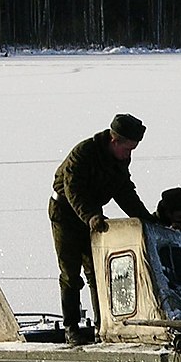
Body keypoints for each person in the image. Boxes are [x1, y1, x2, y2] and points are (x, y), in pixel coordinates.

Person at [49, 113, 153, 345]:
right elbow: (72, 189)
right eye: (127, 148)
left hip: (93, 217)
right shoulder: (83, 153)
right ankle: (71, 327)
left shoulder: (119, 160)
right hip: (66, 214)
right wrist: (90, 216)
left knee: (96, 273)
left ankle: (101, 325)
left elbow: (124, 191)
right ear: (114, 141)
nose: (129, 155)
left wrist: (145, 219)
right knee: (70, 274)